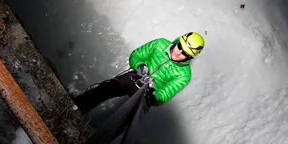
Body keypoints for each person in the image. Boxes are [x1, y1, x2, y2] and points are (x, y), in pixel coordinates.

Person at [73, 32, 204, 114]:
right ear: (178, 41)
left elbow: (166, 93)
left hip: (148, 94)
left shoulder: (184, 75)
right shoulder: (160, 44)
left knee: (127, 120)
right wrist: (140, 66)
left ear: (190, 57)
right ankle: (77, 105)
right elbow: (136, 55)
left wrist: (154, 96)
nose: (178, 52)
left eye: (185, 53)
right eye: (180, 46)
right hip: (136, 77)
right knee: (108, 87)